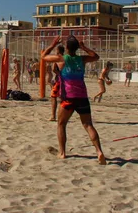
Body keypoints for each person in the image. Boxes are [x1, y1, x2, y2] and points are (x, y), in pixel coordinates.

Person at [42, 35, 106, 165]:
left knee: (61, 124)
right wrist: (84, 47)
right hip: (82, 96)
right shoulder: (81, 59)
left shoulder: (61, 59)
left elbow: (43, 56)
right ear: (77, 48)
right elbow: (96, 56)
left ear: (66, 47)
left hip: (69, 98)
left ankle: (62, 153)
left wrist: (53, 44)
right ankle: (99, 151)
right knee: (88, 125)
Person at [48, 45, 64, 121]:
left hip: (59, 80)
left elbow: (53, 69)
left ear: (58, 50)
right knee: (62, 98)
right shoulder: (67, 58)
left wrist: (59, 74)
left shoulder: (57, 58)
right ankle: (63, 116)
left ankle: (53, 116)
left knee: (53, 97)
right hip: (68, 80)